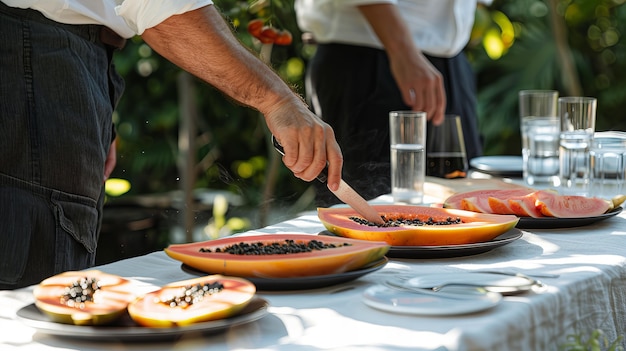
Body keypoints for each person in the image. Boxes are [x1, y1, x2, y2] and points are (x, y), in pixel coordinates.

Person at [0, 1, 343, 290]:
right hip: (36, 54)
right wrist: (279, 100)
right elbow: (160, 5)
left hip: (52, 60)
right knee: (33, 297)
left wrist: (90, 103)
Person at [295, 0, 486, 207]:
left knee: (462, 208)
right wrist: (403, 51)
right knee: (365, 218)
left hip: (451, 65)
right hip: (369, 59)